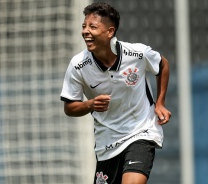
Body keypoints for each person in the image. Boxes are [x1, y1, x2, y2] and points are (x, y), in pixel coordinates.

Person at [60, 2, 171, 184]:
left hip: (141, 131)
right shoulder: (78, 65)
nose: (85, 31)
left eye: (92, 27)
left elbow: (163, 65)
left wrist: (160, 103)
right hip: (107, 143)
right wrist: (90, 104)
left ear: (110, 32)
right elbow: (69, 107)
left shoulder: (137, 53)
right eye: (84, 26)